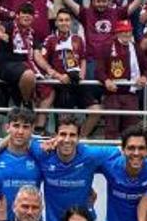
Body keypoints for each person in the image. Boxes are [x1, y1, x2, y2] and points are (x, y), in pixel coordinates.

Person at [37, 8, 100, 136]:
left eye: (66, 20)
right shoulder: (50, 40)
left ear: (71, 22)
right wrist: (57, 75)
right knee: (65, 121)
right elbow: (42, 61)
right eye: (60, 20)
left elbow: (83, 58)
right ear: (56, 23)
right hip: (62, 85)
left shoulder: (78, 39)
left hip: (77, 82)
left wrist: (82, 74)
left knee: (96, 111)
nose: (64, 23)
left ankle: (81, 138)